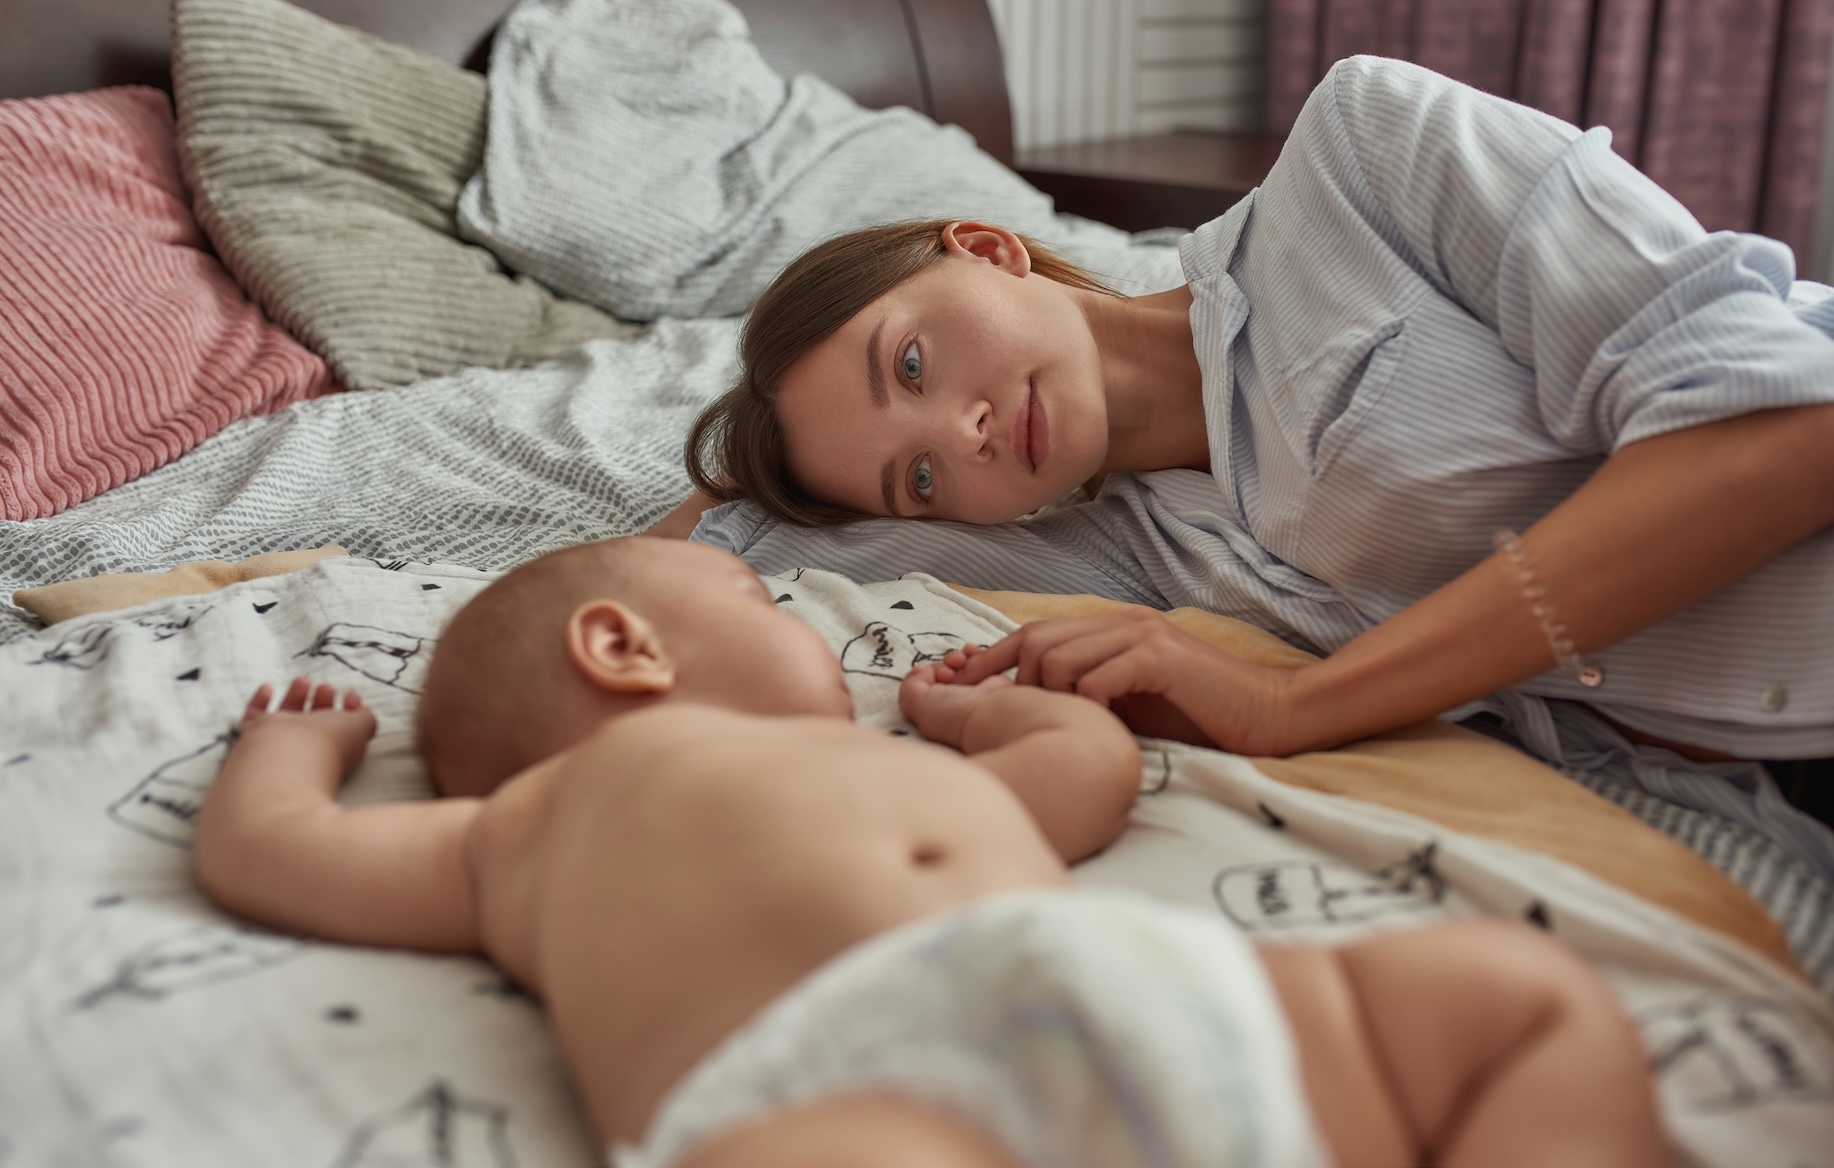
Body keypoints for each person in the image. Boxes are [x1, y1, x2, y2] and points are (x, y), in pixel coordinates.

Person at [663, 53, 1834, 857]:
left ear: (983, 246)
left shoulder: (1359, 156)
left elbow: (1783, 424)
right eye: (918, 478)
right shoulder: (1130, 557)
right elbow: (707, 568)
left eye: (912, 364)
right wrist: (737, 474)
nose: (959, 437)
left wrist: (1301, 703)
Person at [194, 536, 1667, 1168]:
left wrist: (971, 716)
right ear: (625, 648)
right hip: (856, 1086)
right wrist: (292, 749)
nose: (811, 638)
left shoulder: (898, 769)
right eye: (763, 603)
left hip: (1147, 1004)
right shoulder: (526, 828)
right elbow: (281, 856)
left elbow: (1086, 769)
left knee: (1516, 1002)